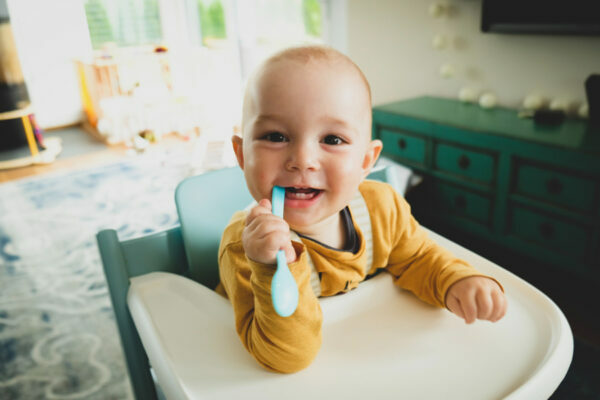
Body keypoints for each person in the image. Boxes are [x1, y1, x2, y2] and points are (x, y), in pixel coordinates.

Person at [216, 45, 507, 374]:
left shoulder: (381, 209)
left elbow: (418, 258)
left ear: (367, 161)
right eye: (275, 136)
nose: (302, 160)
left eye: (333, 139)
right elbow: (286, 357)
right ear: (241, 155)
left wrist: (457, 281)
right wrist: (270, 267)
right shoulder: (244, 249)